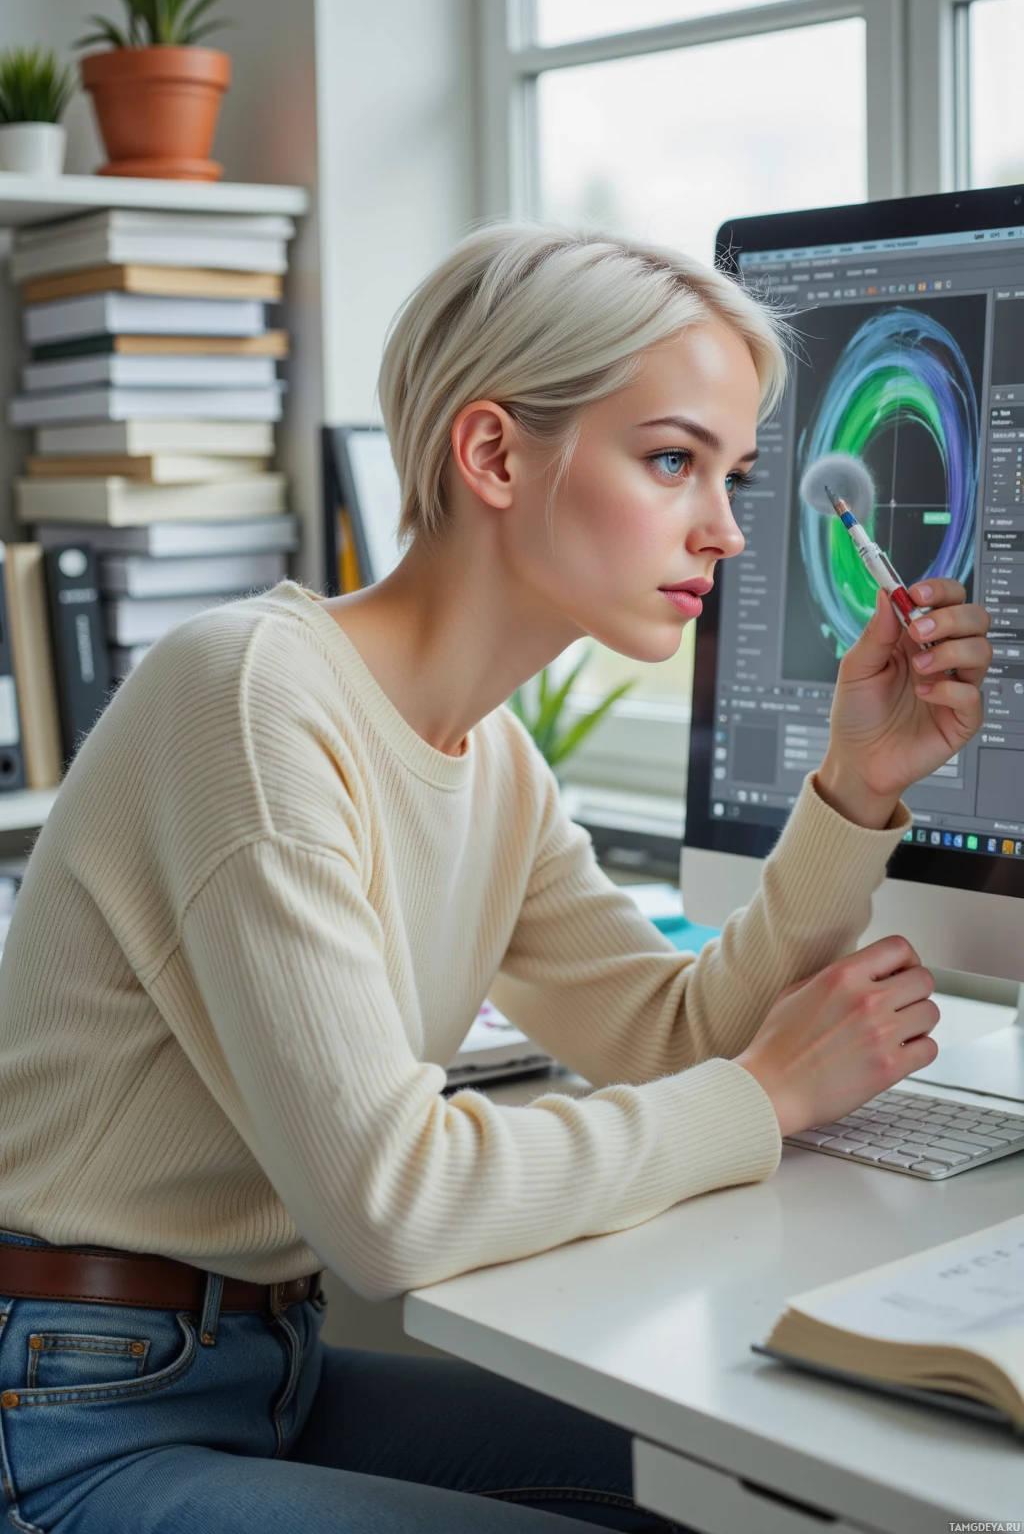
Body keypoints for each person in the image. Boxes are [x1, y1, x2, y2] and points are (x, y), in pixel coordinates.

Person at [0, 224, 991, 1534]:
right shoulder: (251, 699)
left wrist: (857, 785)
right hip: (70, 1414)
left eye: (735, 476)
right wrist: (761, 1095)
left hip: (265, 1369)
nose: (727, 534)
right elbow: (394, 1212)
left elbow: (669, 1036)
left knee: (720, 1495)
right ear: (493, 454)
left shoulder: (496, 762)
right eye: (672, 461)